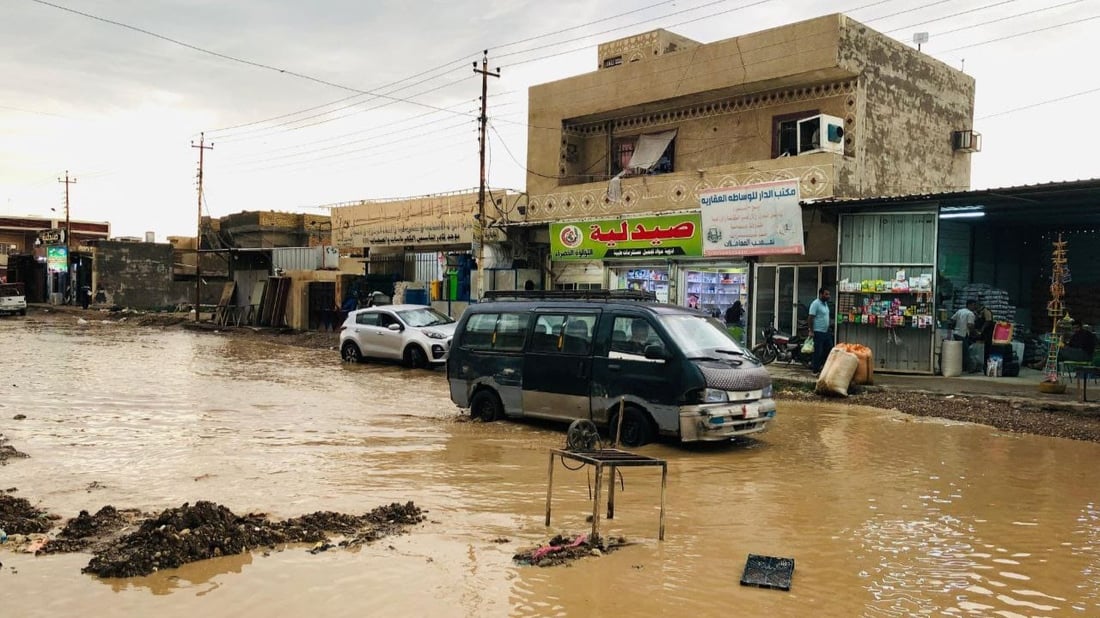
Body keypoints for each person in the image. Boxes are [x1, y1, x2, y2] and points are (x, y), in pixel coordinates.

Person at [807, 287, 832, 374]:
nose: (828, 296)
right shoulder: (815, 304)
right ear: (821, 294)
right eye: (826, 294)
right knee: (818, 351)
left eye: (829, 294)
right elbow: (810, 317)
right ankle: (815, 370)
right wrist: (811, 330)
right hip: (818, 332)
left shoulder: (825, 304)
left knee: (829, 350)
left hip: (826, 332)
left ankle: (823, 367)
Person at [950, 300, 977, 372]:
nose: (975, 307)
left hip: (956, 333)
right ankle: (969, 368)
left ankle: (960, 366)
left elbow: (952, 320)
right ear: (969, 305)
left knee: (958, 352)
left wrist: (956, 326)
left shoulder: (960, 311)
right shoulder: (970, 314)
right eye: (973, 305)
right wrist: (975, 333)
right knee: (966, 353)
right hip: (963, 334)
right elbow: (970, 325)